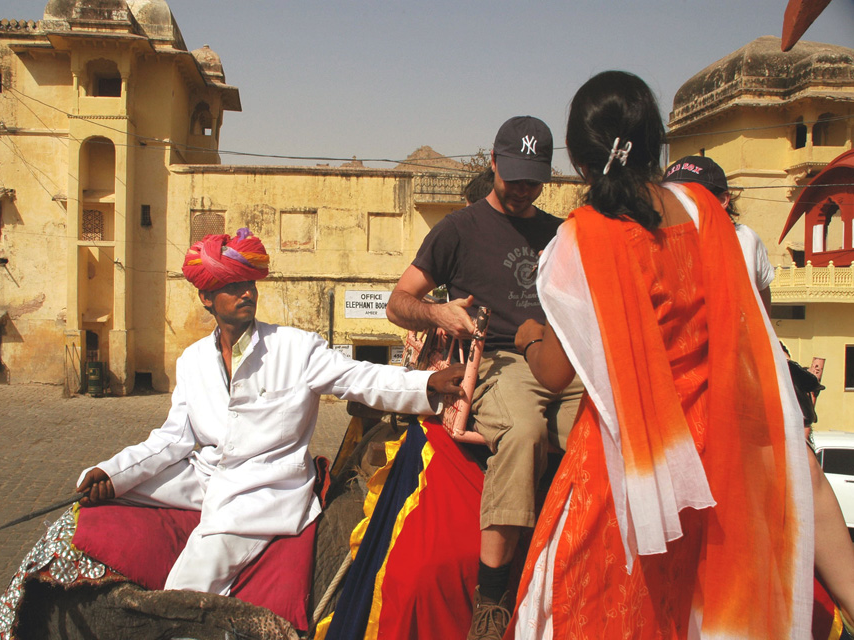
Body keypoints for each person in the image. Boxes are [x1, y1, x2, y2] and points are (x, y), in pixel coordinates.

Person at [507, 71, 813, 639]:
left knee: (584, 607)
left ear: (578, 159)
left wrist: (526, 335)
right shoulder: (703, 211)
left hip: (626, 471)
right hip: (715, 461)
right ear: (655, 142)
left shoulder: (584, 236)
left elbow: (552, 374)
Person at [77, 228, 465, 596]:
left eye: (249, 283)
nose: (246, 292)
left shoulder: (295, 348)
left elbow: (358, 377)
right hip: (207, 475)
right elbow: (174, 438)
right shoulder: (192, 360)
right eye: (232, 286)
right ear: (207, 298)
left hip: (263, 489)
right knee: (114, 493)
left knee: (189, 582)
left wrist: (426, 384)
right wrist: (113, 472)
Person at [385, 116, 584, 639]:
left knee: (614, 421)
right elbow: (398, 302)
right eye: (513, 176)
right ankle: (492, 599)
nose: (522, 189)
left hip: (559, 357)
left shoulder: (559, 232)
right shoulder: (458, 229)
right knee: (524, 431)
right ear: (493, 163)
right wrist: (440, 312)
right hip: (495, 357)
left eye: (532, 180)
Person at [666, 157, 854, 627]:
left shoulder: (742, 240)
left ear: (723, 201)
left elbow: (760, 324)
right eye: (674, 195)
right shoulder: (668, 241)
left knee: (802, 474)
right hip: (696, 387)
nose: (683, 205)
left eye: (694, 196)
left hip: (733, 387)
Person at [662, 155, 773, 314]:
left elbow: (762, 297)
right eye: (671, 197)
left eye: (689, 197)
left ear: (722, 200)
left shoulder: (746, 240)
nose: (678, 205)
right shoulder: (657, 244)